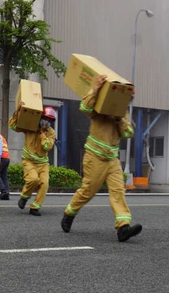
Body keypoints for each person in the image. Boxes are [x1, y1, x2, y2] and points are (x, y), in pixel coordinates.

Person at [61, 74, 142, 242]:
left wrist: (118, 119)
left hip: (112, 160)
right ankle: (69, 213)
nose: (126, 101)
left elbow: (128, 133)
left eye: (128, 98)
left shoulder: (123, 113)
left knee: (118, 191)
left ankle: (123, 228)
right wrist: (96, 89)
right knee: (88, 192)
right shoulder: (99, 105)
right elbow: (84, 107)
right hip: (94, 157)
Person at [9, 105, 57, 216]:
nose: (47, 122)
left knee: (44, 184)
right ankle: (24, 197)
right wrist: (18, 112)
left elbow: (47, 146)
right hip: (29, 161)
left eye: (50, 120)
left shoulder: (51, 133)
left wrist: (41, 133)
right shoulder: (30, 126)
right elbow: (13, 126)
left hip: (43, 163)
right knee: (33, 179)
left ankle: (35, 207)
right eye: (46, 118)